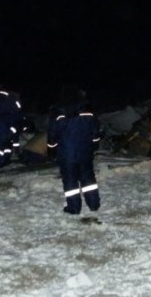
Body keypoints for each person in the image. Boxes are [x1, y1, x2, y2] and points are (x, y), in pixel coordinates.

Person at [47, 84, 102, 220]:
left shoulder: (57, 109)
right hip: (85, 150)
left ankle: (74, 208)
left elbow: (53, 132)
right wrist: (95, 144)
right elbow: (95, 130)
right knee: (88, 178)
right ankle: (94, 204)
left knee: (70, 180)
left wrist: (51, 148)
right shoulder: (87, 108)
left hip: (66, 152)